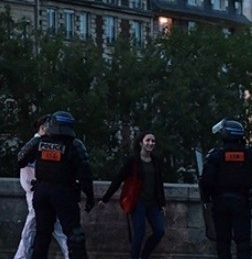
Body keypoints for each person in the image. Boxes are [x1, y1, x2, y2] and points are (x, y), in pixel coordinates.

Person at [16, 111, 94, 259]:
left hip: (42, 191)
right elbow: (85, 175)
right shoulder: (75, 145)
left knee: (42, 235)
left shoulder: (40, 142)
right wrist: (90, 197)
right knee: (74, 233)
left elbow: (21, 159)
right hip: (64, 192)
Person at [199, 119, 252, 259]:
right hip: (241, 202)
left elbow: (206, 181)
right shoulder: (250, 154)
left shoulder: (216, 154)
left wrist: (207, 198)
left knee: (223, 242)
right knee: (243, 242)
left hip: (220, 203)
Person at [99, 131, 167, 259]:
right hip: (138, 202)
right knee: (139, 234)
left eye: (153, 141)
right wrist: (105, 198)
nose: (151, 143)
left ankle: (144, 256)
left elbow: (159, 183)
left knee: (159, 231)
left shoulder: (155, 160)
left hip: (153, 203)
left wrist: (162, 203)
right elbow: (119, 179)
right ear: (141, 143)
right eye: (148, 141)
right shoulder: (133, 161)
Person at [14, 114, 70, 259]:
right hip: (38, 191)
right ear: (44, 127)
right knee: (50, 227)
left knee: (37, 228)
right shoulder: (39, 143)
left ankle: (22, 256)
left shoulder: (37, 144)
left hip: (38, 192)